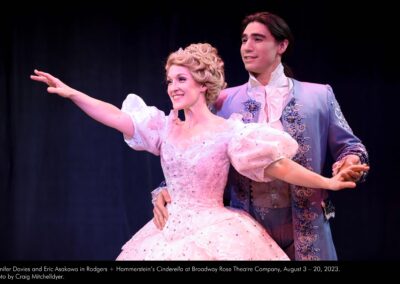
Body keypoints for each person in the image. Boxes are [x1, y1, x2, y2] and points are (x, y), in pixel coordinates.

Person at [31, 43, 367, 260]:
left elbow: (277, 166)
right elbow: (116, 117)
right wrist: (73, 94)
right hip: (169, 233)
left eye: (181, 79)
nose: (172, 87)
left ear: (202, 85)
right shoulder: (163, 127)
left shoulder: (229, 131)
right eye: (169, 81)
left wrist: (327, 183)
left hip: (218, 230)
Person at [152, 12, 370, 260]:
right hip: (242, 230)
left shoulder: (319, 96)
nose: (247, 47)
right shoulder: (223, 101)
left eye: (257, 39)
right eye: (244, 40)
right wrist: (166, 190)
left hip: (309, 227)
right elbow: (193, 148)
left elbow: (351, 147)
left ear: (282, 45)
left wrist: (349, 164)